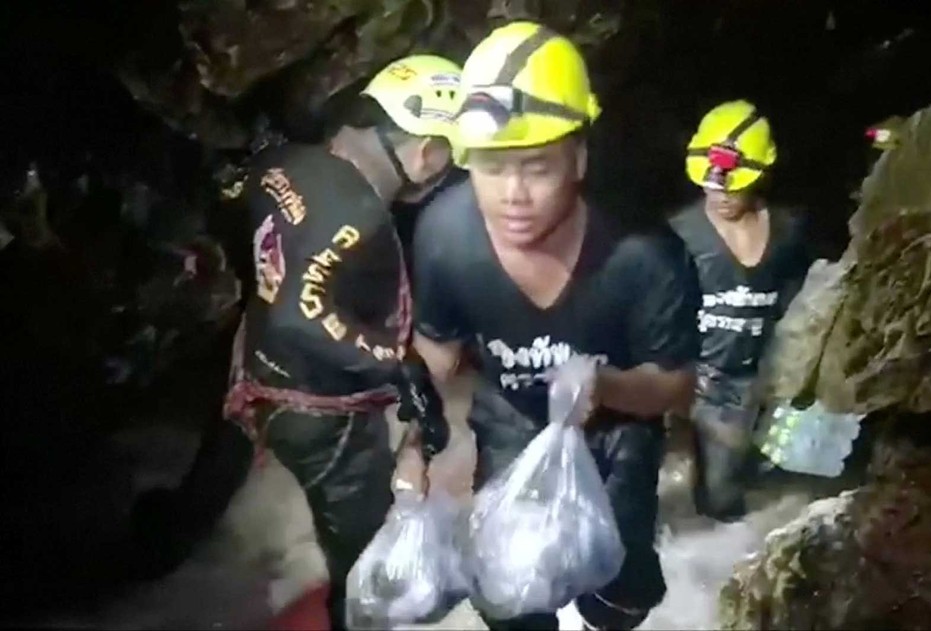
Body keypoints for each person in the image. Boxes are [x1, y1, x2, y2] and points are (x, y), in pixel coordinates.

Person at [138, 54, 464, 629]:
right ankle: (354, 618)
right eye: (446, 164)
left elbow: (243, 222)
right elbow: (302, 313)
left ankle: (166, 539)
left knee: (228, 448)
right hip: (318, 408)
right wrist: (396, 364)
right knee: (363, 544)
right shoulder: (360, 217)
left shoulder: (284, 162)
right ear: (427, 155)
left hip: (251, 361)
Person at [396, 21, 700, 631]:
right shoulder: (445, 237)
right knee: (511, 598)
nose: (512, 194)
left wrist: (607, 387)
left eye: (537, 168)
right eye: (490, 167)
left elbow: (676, 385)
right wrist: (415, 446)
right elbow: (439, 351)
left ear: (579, 157)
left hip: (617, 436)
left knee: (616, 589)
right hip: (510, 423)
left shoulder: (644, 255)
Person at [668, 100, 813, 522]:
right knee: (709, 495)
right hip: (700, 381)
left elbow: (802, 302)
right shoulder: (678, 234)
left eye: (733, 185)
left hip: (761, 377)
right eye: (711, 184)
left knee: (755, 489)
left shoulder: (788, 231)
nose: (721, 193)